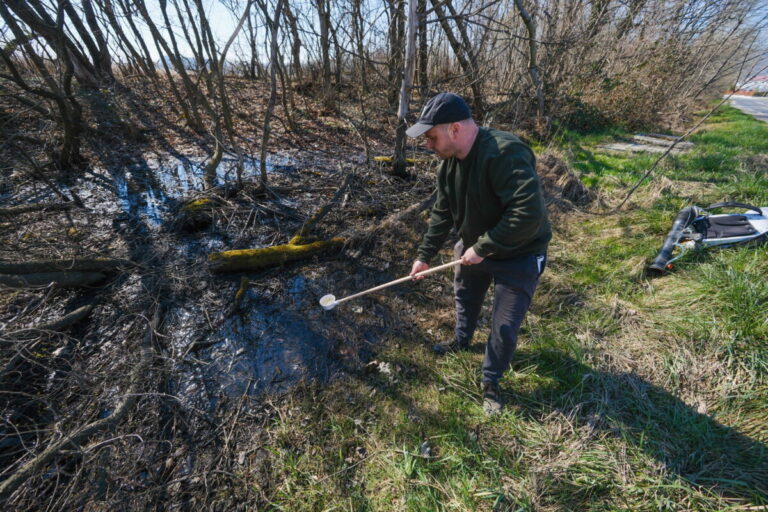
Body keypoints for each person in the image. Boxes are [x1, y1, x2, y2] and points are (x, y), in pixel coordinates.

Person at [407, 92, 551, 415]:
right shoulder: (448, 168)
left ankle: (490, 382)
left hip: (520, 254)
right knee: (465, 297)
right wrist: (424, 255)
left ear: (454, 129)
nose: (428, 145)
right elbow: (442, 214)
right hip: (473, 250)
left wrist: (483, 248)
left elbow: (527, 214)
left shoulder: (505, 152)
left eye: (431, 137)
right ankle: (461, 340)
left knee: (504, 326)